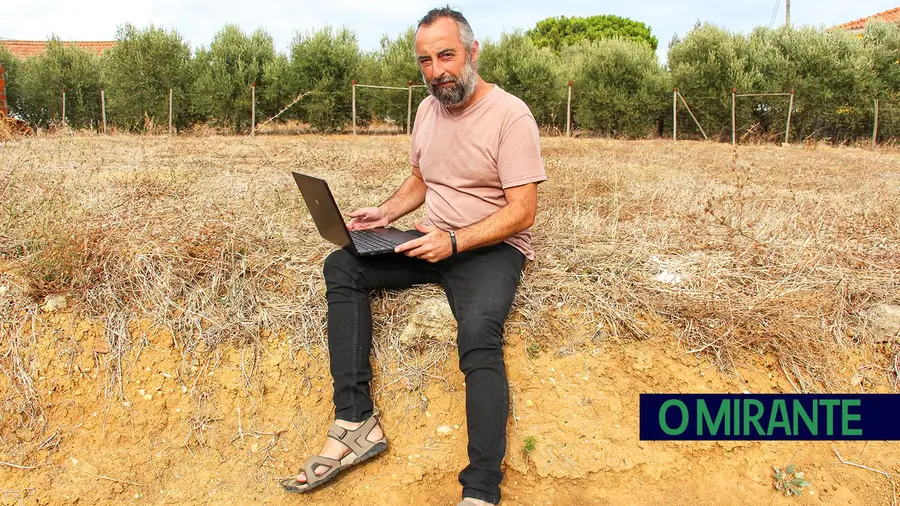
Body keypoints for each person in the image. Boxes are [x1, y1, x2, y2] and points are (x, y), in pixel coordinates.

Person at [280, 7, 547, 505]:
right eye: (425, 61)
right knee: (343, 264)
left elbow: (523, 211)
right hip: (430, 239)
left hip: (489, 248)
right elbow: (422, 181)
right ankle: (356, 423)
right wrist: (385, 212)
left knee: (479, 338)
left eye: (446, 55)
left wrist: (457, 241)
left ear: (472, 52)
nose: (436, 70)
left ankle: (482, 489)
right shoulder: (428, 110)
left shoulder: (512, 115)